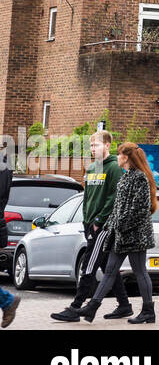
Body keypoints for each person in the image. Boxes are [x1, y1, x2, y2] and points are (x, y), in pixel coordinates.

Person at [51, 131, 133, 322]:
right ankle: (124, 305)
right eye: (91, 145)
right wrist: (86, 219)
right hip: (90, 224)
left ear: (106, 145)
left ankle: (75, 307)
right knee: (106, 266)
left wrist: (99, 221)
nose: (92, 149)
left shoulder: (114, 168)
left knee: (88, 264)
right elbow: (87, 197)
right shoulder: (91, 168)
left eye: (96, 145)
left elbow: (114, 198)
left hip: (102, 226)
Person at [77, 142, 158, 324]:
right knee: (110, 272)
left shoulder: (140, 178)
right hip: (120, 235)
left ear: (126, 157)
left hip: (136, 236)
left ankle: (148, 311)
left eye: (119, 154)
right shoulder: (125, 177)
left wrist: (119, 225)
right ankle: (92, 307)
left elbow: (139, 209)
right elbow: (117, 208)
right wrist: (110, 227)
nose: (117, 157)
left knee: (140, 272)